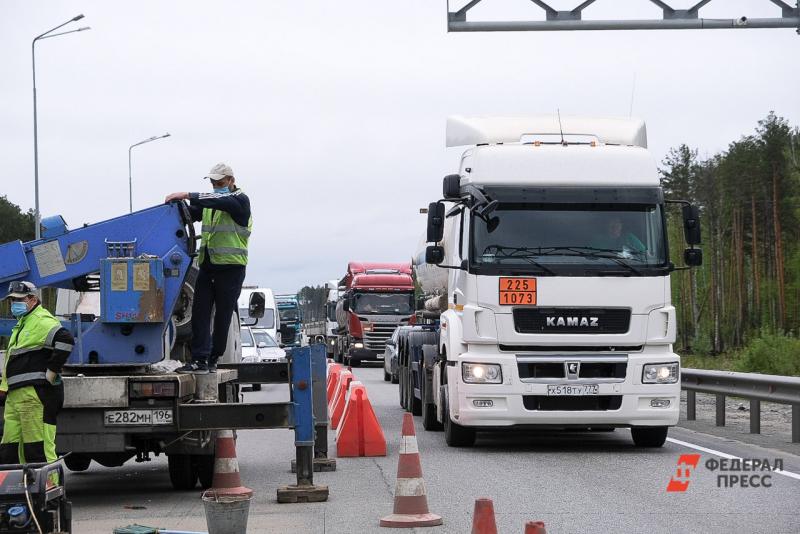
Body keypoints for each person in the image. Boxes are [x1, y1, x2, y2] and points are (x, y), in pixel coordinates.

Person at [165, 163, 252, 374]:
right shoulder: (211, 203)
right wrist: (175, 207)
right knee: (200, 313)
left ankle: (214, 356)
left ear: (231, 181)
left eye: (220, 183)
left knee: (222, 316)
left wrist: (186, 194)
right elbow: (191, 212)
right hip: (208, 266)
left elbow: (220, 200)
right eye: (213, 183)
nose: (216, 186)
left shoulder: (239, 201)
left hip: (231, 269)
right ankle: (199, 360)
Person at [0, 281, 72, 467]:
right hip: (16, 397)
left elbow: (65, 340)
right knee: (10, 451)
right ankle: (20, 492)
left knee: (37, 450)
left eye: (19, 299)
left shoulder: (41, 320)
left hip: (34, 396)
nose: (13, 304)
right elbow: (13, 361)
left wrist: (51, 373)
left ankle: (51, 494)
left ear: (33, 299)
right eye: (11, 300)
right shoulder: (23, 324)